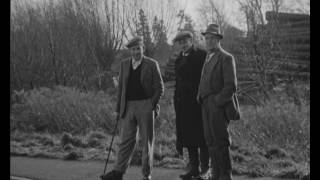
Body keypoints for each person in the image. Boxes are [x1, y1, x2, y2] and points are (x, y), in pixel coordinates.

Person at [101, 36, 164, 180]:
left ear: (143, 48)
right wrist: (118, 109)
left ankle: (146, 175)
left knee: (146, 142)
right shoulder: (124, 64)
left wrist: (151, 104)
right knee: (125, 141)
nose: (136, 52)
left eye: (138, 48)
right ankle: (118, 172)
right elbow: (121, 89)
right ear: (130, 51)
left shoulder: (152, 64)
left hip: (145, 105)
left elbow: (160, 88)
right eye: (133, 49)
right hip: (128, 106)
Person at [197, 24, 241, 180]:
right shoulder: (207, 58)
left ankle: (225, 176)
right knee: (210, 141)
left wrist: (217, 101)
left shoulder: (226, 58)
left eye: (212, 39)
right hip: (205, 105)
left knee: (220, 141)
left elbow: (231, 86)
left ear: (218, 40)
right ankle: (215, 175)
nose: (208, 41)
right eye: (206, 38)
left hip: (218, 106)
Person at [173, 31, 210, 180]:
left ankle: (205, 169)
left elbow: (206, 77)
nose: (183, 44)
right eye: (180, 42)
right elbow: (178, 82)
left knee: (201, 137)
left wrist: (202, 95)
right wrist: (176, 99)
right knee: (188, 136)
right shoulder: (178, 60)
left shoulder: (201, 55)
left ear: (191, 40)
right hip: (183, 104)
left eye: (185, 41)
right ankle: (193, 167)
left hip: (198, 102)